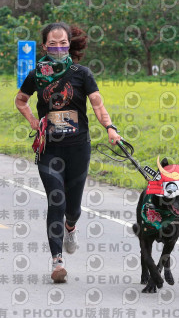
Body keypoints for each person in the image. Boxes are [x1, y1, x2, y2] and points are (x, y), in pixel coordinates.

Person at [15, 22, 121, 283]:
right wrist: (33, 122)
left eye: (64, 43)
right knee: (56, 201)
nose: (59, 48)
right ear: (44, 46)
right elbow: (20, 100)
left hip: (78, 148)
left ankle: (71, 227)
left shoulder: (81, 73)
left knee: (72, 208)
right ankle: (56, 261)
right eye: (54, 43)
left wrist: (110, 127)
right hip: (49, 149)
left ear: (70, 45)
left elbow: (97, 105)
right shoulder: (36, 75)